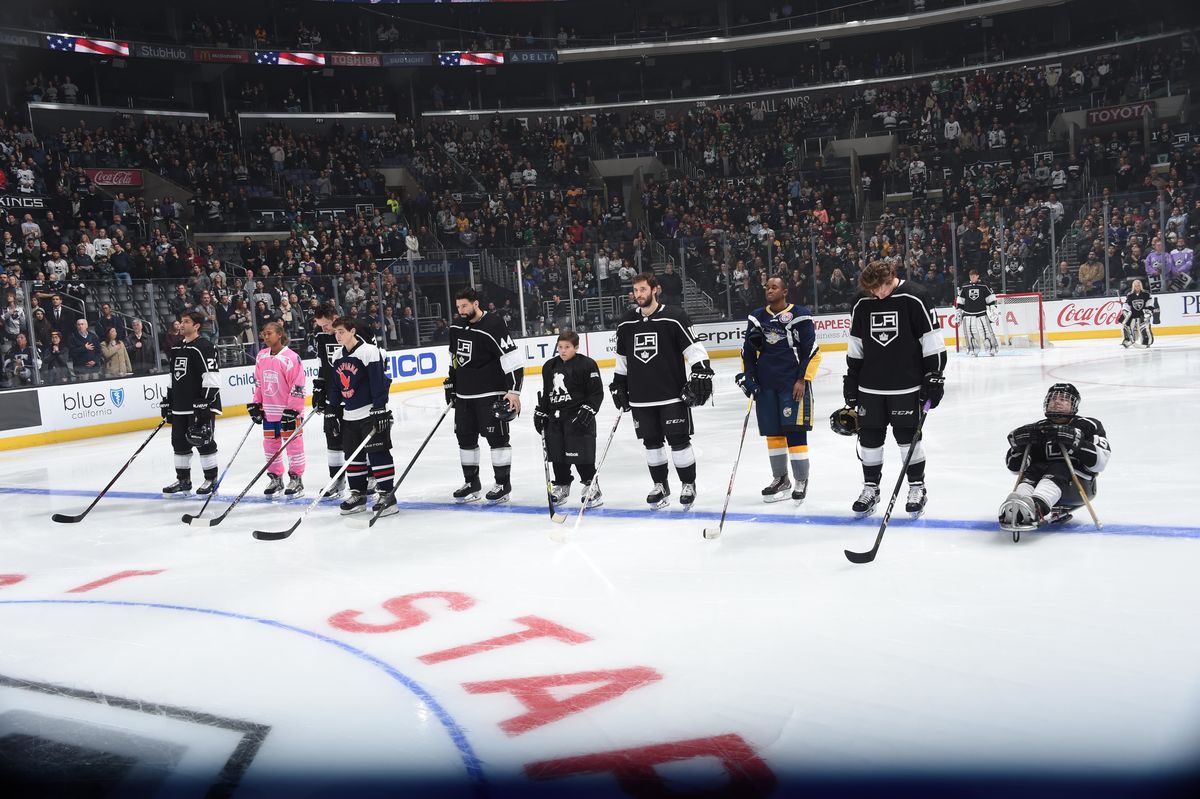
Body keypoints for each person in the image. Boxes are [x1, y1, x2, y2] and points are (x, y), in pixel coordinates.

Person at [840, 260, 946, 518]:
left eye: (881, 288)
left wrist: (934, 376)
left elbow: (932, 340)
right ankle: (870, 488)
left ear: (891, 278)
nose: (877, 294)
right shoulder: (861, 301)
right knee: (869, 440)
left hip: (907, 385)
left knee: (908, 439)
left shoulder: (915, 296)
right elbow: (856, 342)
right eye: (872, 290)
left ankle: (916, 487)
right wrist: (851, 378)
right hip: (870, 387)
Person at [609, 272, 713, 508]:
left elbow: (695, 349)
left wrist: (701, 371)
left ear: (655, 290)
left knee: (678, 441)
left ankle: (688, 484)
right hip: (641, 397)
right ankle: (660, 485)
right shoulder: (626, 323)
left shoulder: (674, 317)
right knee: (651, 443)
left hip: (671, 394)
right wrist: (618, 384)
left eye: (643, 290)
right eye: (635, 291)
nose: (639, 295)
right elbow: (622, 359)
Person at [735, 275, 821, 504]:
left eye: (775, 287)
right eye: (767, 286)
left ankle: (801, 479)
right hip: (766, 384)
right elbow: (748, 352)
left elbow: (810, 350)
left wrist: (802, 380)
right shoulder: (757, 317)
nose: (769, 290)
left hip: (791, 382)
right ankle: (780, 478)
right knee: (773, 433)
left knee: (794, 430)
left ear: (785, 292)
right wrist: (749, 378)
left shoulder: (800, 314)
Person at [445, 288, 524, 503]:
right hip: (464, 395)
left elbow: (512, 359)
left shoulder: (494, 324)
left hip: (491, 394)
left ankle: (502, 485)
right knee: (465, 439)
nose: (461, 310)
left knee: (497, 440)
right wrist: (451, 383)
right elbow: (454, 357)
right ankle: (471, 483)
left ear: (475, 303)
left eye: (465, 306)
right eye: (458, 306)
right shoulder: (455, 326)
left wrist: (514, 392)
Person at [998, 383, 1110, 534]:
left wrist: (1076, 443)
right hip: (1042, 477)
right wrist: (1018, 447)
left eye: (1063, 399)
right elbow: (1015, 468)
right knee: (1032, 470)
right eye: (1053, 398)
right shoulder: (1038, 428)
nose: (1057, 402)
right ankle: (1018, 503)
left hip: (1078, 486)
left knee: (1059, 468)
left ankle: (1036, 507)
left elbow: (1100, 463)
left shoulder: (1088, 425)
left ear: (1074, 404)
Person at [328, 316, 396, 517]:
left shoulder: (369, 351)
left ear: (352, 331)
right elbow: (335, 386)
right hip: (350, 416)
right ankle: (358, 495)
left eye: (341, 331)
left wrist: (380, 407)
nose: (338, 336)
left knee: (378, 453)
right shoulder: (337, 356)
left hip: (369, 413)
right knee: (353, 458)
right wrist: (332, 409)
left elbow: (378, 381)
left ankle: (387, 495)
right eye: (336, 332)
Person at [533, 330, 605, 508]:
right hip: (556, 419)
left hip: (578, 418)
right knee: (557, 455)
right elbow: (547, 392)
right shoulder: (549, 366)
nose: (563, 351)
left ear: (576, 347)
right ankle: (562, 485)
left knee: (582, 455)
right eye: (560, 347)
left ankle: (591, 486)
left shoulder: (587, 364)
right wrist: (542, 411)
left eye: (567, 347)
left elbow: (596, 392)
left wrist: (590, 409)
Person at [160, 310, 222, 496]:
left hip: (199, 406)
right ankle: (183, 481)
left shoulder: (204, 346)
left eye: (186, 321)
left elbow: (212, 376)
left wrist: (206, 401)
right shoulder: (177, 347)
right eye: (180, 321)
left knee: (203, 440)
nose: (181, 324)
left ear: (196, 326)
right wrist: (168, 402)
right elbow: (173, 377)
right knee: (179, 443)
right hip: (180, 406)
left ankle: (211, 479)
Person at [248, 322, 307, 499]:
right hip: (269, 412)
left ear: (279, 334)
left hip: (288, 412)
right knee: (270, 446)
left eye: (269, 333)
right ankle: (276, 478)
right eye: (264, 334)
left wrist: (293, 409)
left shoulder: (291, 357)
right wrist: (256, 404)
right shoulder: (261, 356)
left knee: (293, 445)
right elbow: (259, 382)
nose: (266, 337)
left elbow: (298, 385)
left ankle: (296, 479)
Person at [955, 269, 999, 356]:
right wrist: (958, 311)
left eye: (974, 276)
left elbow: (991, 298)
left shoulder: (984, 285)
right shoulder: (965, 286)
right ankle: (973, 350)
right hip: (968, 314)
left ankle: (991, 349)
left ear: (978, 276)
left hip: (981, 312)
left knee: (986, 332)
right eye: (971, 276)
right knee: (970, 333)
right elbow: (961, 300)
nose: (972, 277)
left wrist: (993, 307)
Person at [1120, 279, 1156, 348]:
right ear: (1133, 286)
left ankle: (1146, 341)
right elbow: (1126, 304)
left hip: (1142, 314)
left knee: (1144, 327)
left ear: (1141, 285)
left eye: (1138, 285)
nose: (1137, 287)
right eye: (1136, 285)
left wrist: (1148, 311)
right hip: (1133, 314)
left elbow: (1150, 303)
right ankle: (1128, 340)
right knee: (1127, 326)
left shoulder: (1146, 294)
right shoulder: (1130, 295)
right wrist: (1125, 310)